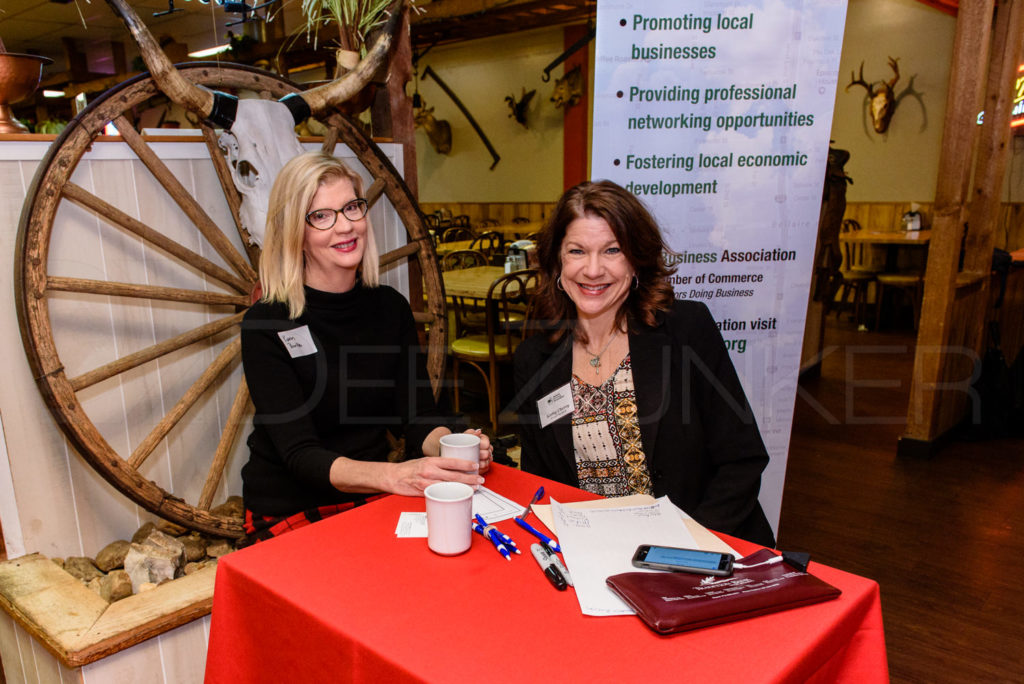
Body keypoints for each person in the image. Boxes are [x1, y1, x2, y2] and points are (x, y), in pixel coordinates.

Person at [240, 151, 491, 544]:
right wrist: (396, 475)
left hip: (371, 495)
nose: (345, 227)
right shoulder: (266, 324)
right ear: (295, 233)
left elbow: (416, 415)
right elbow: (301, 455)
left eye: (352, 208)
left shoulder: (391, 308)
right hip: (291, 506)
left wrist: (453, 449)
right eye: (321, 216)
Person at [512, 180, 775, 547]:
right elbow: (542, 483)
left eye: (612, 250)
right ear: (557, 261)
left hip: (701, 545)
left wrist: (690, 547)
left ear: (636, 260)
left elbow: (742, 460)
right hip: (595, 555)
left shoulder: (686, 330)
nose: (592, 269)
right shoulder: (533, 360)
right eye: (576, 251)